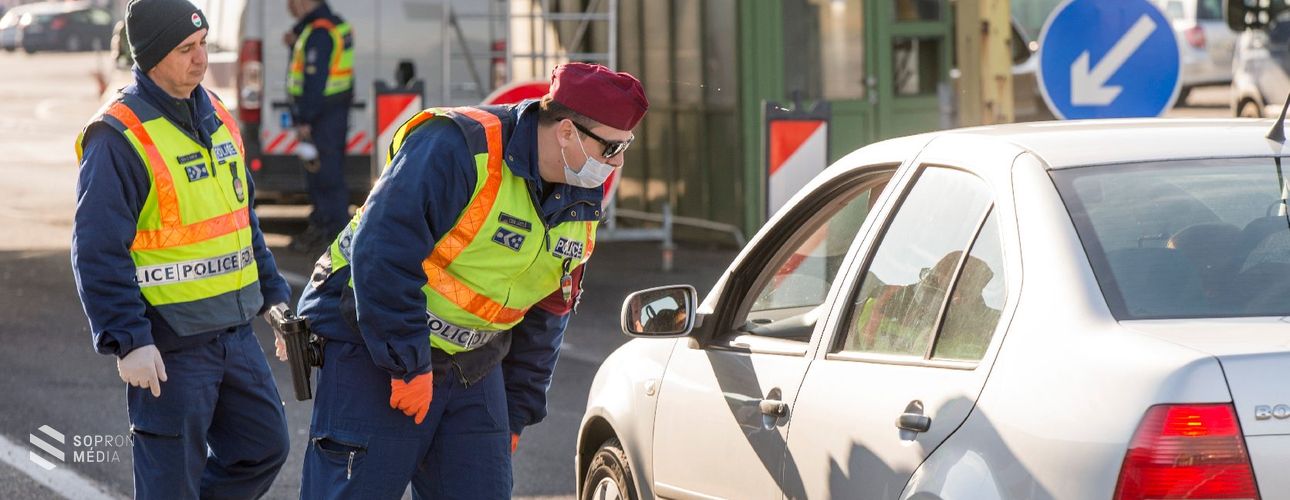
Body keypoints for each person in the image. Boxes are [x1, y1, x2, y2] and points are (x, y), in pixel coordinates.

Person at [296, 62, 648, 498]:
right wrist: (408, 364)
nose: (618, 162)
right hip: (373, 346)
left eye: (625, 147)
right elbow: (381, 253)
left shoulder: (581, 195)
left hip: (473, 364)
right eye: (611, 148)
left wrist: (516, 412)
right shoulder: (457, 147)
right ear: (567, 132)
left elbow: (549, 309)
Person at [70, 1, 291, 497]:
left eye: (204, 44)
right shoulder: (118, 135)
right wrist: (128, 337)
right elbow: (96, 247)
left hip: (233, 334)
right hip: (170, 344)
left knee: (264, 446)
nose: (201, 58)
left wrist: (273, 296)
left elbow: (242, 219)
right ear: (149, 57)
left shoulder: (216, 112)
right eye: (185, 49)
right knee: (171, 483)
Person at [284, 0, 354, 252]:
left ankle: (335, 236)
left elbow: (315, 81)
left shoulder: (320, 32)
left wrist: (305, 119)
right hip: (330, 116)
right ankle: (324, 227)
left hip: (321, 119)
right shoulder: (330, 26)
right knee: (322, 176)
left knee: (326, 178)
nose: (289, 6)